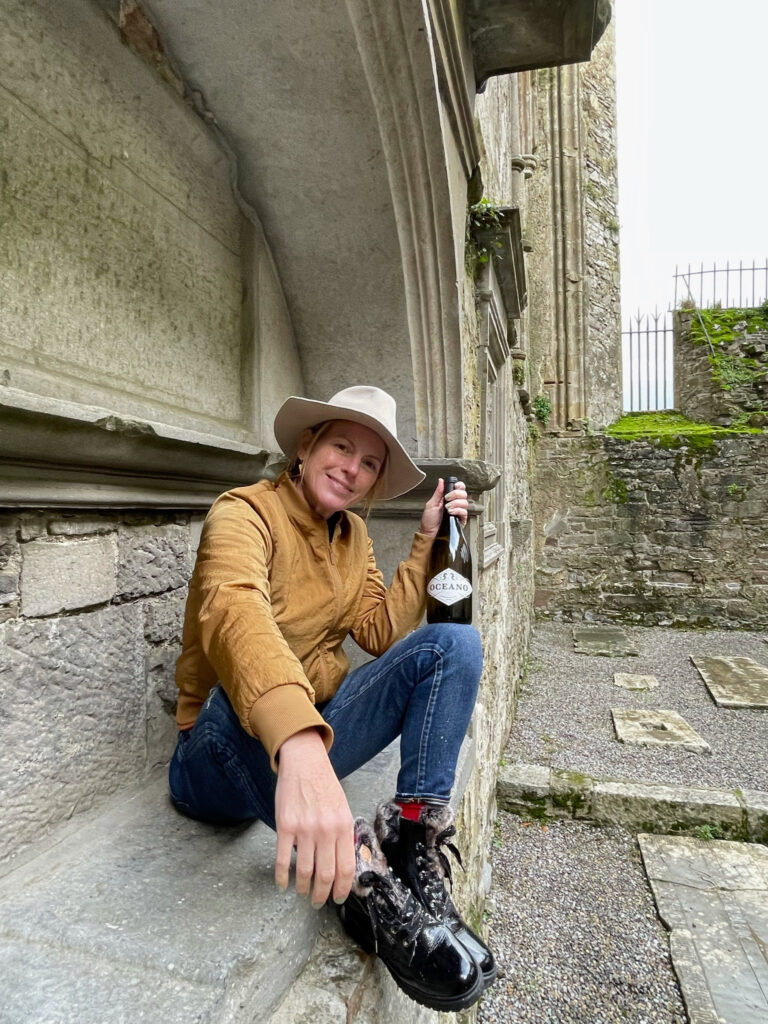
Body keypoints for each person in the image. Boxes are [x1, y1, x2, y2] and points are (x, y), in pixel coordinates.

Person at [169, 385, 495, 1011]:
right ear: (305, 447)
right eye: (342, 446)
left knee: (454, 643)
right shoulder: (243, 513)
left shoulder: (354, 541)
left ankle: (410, 838)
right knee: (226, 706)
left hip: (315, 734)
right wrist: (295, 738)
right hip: (217, 750)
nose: (352, 468)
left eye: (369, 463)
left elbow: (377, 629)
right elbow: (233, 610)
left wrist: (428, 540)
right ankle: (361, 880)